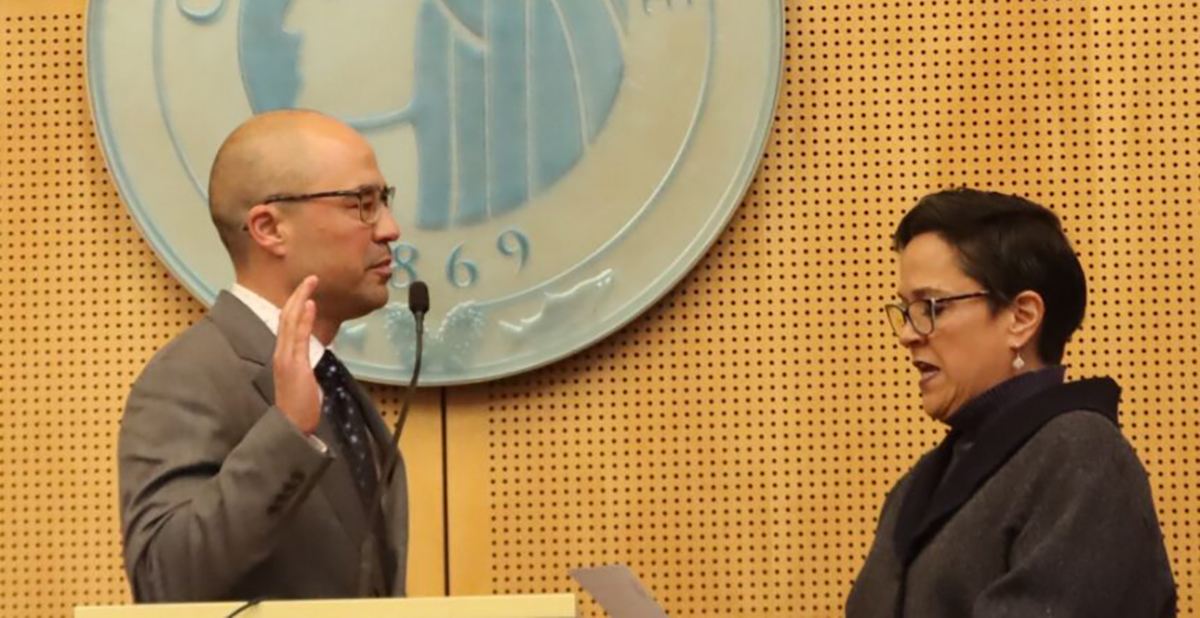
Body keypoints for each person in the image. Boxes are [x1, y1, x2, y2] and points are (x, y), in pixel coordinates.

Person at [118, 110, 407, 601]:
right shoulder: (189, 377)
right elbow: (163, 581)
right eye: (362, 203)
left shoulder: (331, 381)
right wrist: (288, 432)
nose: (390, 229)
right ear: (269, 228)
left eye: (384, 200)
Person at [845, 189, 1176, 617]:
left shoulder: (1082, 455)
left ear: (1021, 318)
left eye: (930, 306)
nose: (909, 333)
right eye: (905, 310)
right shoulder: (919, 482)